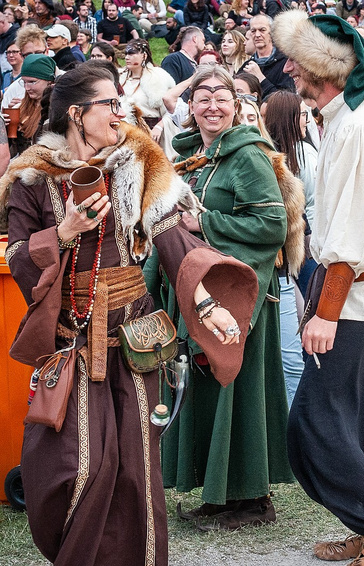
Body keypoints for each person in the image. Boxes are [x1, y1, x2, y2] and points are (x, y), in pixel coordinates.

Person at [5, 62, 251, 566]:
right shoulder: (32, 175)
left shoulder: (138, 161)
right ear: (77, 113)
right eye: (110, 104)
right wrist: (65, 231)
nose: (122, 112)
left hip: (135, 338)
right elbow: (17, 256)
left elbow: (173, 238)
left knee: (135, 469)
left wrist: (208, 305)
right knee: (73, 469)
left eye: (121, 103)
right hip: (73, 340)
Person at [273, 10, 364, 565]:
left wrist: (326, 312)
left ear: (326, 67)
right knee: (358, 426)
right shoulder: (349, 119)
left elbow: (352, 235)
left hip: (359, 299)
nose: (289, 68)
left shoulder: (357, 126)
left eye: (299, 61)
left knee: (313, 426)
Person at [155, 64, 302, 531]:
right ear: (191, 106)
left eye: (222, 96)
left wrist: (206, 225)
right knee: (212, 390)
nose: (213, 104)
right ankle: (220, 495)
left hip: (242, 294)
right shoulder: (194, 155)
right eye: (203, 97)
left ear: (236, 106)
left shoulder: (248, 155)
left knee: (238, 389)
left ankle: (252, 500)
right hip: (202, 289)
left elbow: (272, 226)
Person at [263, 90, 318, 406]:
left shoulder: (299, 155)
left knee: (299, 330)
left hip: (296, 252)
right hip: (298, 252)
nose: (306, 120)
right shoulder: (299, 156)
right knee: (299, 332)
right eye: (301, 115)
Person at [119, 39, 175, 134]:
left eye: (132, 54)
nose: (127, 58)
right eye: (126, 54)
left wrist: (159, 127)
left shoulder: (159, 78)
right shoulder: (120, 78)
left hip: (150, 132)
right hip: (124, 132)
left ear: (144, 56)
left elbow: (171, 111)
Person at [11, 55, 56, 157]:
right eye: (24, 82)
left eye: (32, 82)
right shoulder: (21, 105)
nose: (27, 88)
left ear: (49, 80)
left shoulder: (54, 110)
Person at [242, 14, 294, 96]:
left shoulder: (285, 63)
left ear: (271, 33)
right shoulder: (246, 66)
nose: (257, 35)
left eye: (262, 30)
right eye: (253, 31)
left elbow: (287, 100)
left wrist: (260, 78)